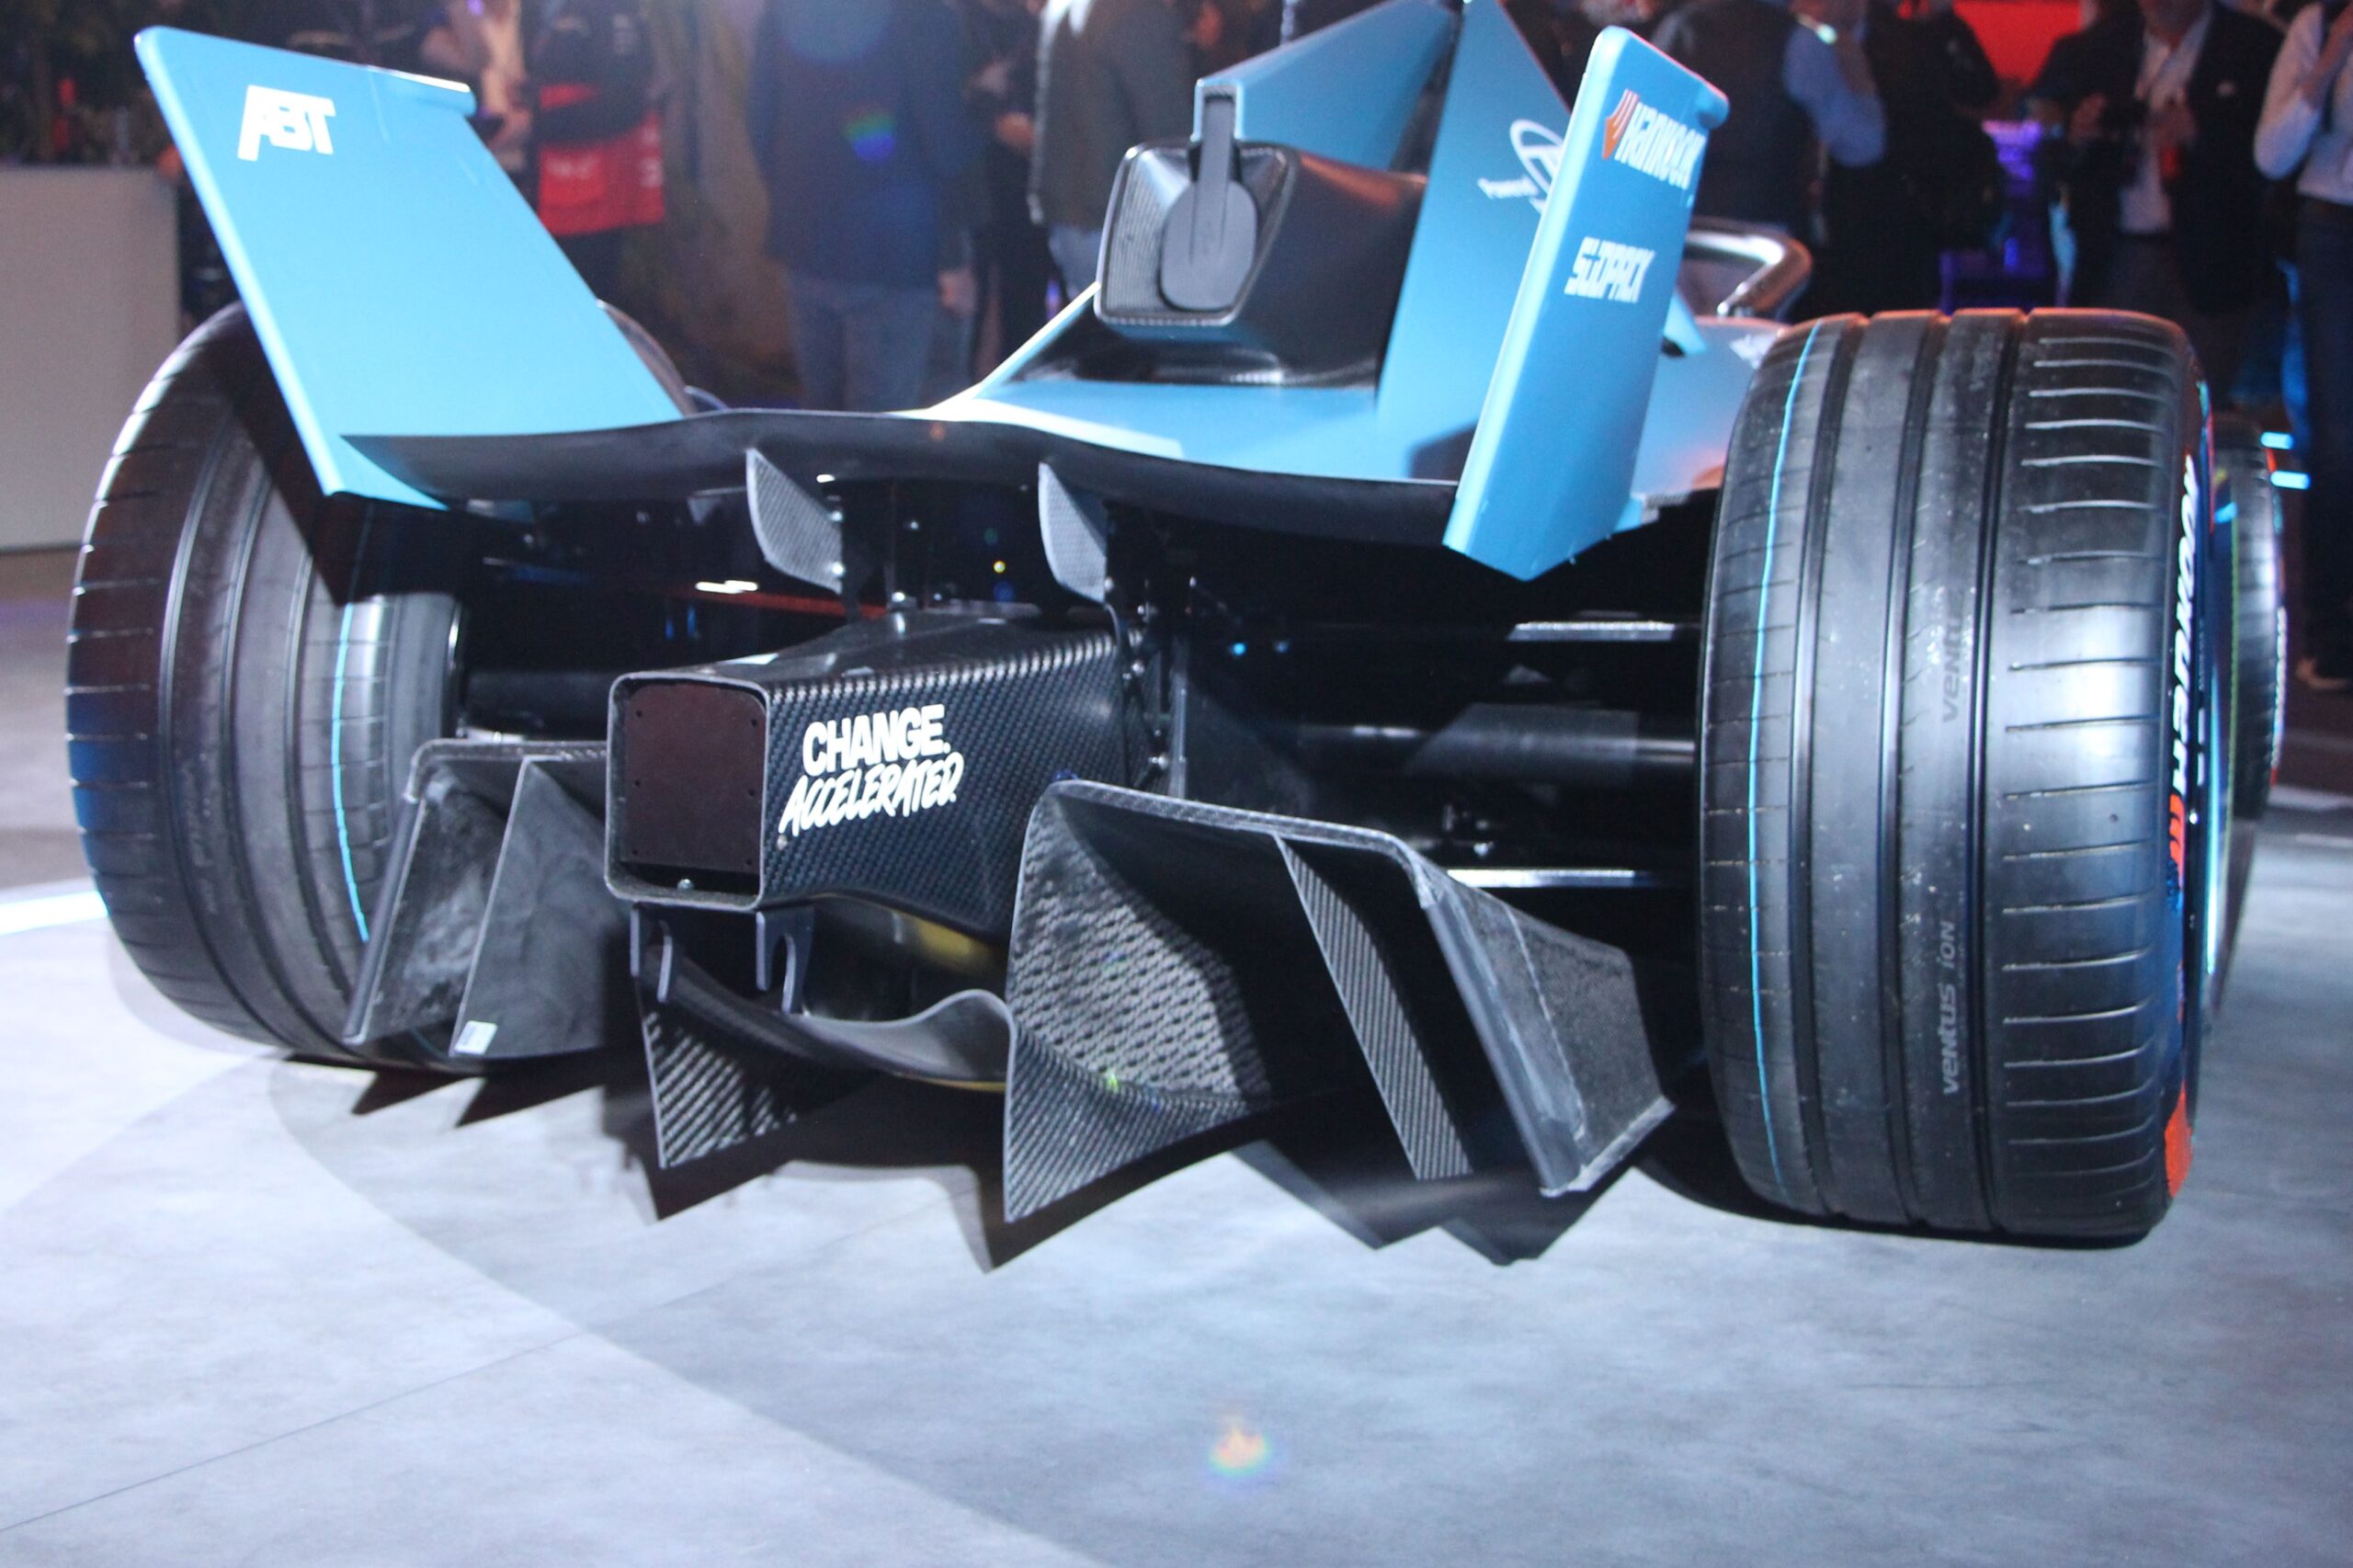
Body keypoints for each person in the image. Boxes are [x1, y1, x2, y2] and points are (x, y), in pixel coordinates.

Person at [2027, 0, 2281, 399]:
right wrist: (2076, 134)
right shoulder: (2099, 47)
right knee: (2109, 394)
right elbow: (2044, 142)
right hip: (2116, 255)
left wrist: (2201, 134)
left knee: (2199, 400)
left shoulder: (2252, 46)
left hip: (2214, 262)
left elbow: (2276, 159)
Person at [747, 0, 978, 413]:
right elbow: (944, 148)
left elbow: (760, 123)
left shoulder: (785, 9)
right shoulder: (923, 15)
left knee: (823, 416)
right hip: (894, 253)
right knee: (880, 424)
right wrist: (987, 107)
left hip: (805, 240)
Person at [2256, 0, 2353, 688]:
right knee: (2337, 437)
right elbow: (2271, 153)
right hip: (2334, 230)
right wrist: (2329, 61)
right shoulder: (2321, 24)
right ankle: (2330, 630)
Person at [1804, 0, 2001, 313]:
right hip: (1865, 213)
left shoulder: (1909, 42)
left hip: (1897, 211)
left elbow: (1980, 90)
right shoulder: (1812, 43)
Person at [1653, 0, 1887, 237]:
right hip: (1762, 237)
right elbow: (1862, 145)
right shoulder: (1800, 42)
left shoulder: (1676, 26)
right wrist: (1858, 75)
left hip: (1672, 227)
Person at [1030, 0, 1197, 292]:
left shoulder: (1062, 6)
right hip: (1121, 221)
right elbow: (1168, 133)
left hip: (1070, 214)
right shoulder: (1138, 12)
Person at [962, 0, 1057, 367]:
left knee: (1026, 304)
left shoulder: (1034, 24)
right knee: (970, 308)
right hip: (974, 183)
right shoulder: (956, 21)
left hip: (1027, 186)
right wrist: (994, 123)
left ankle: (1019, 384)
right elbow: (938, 104)